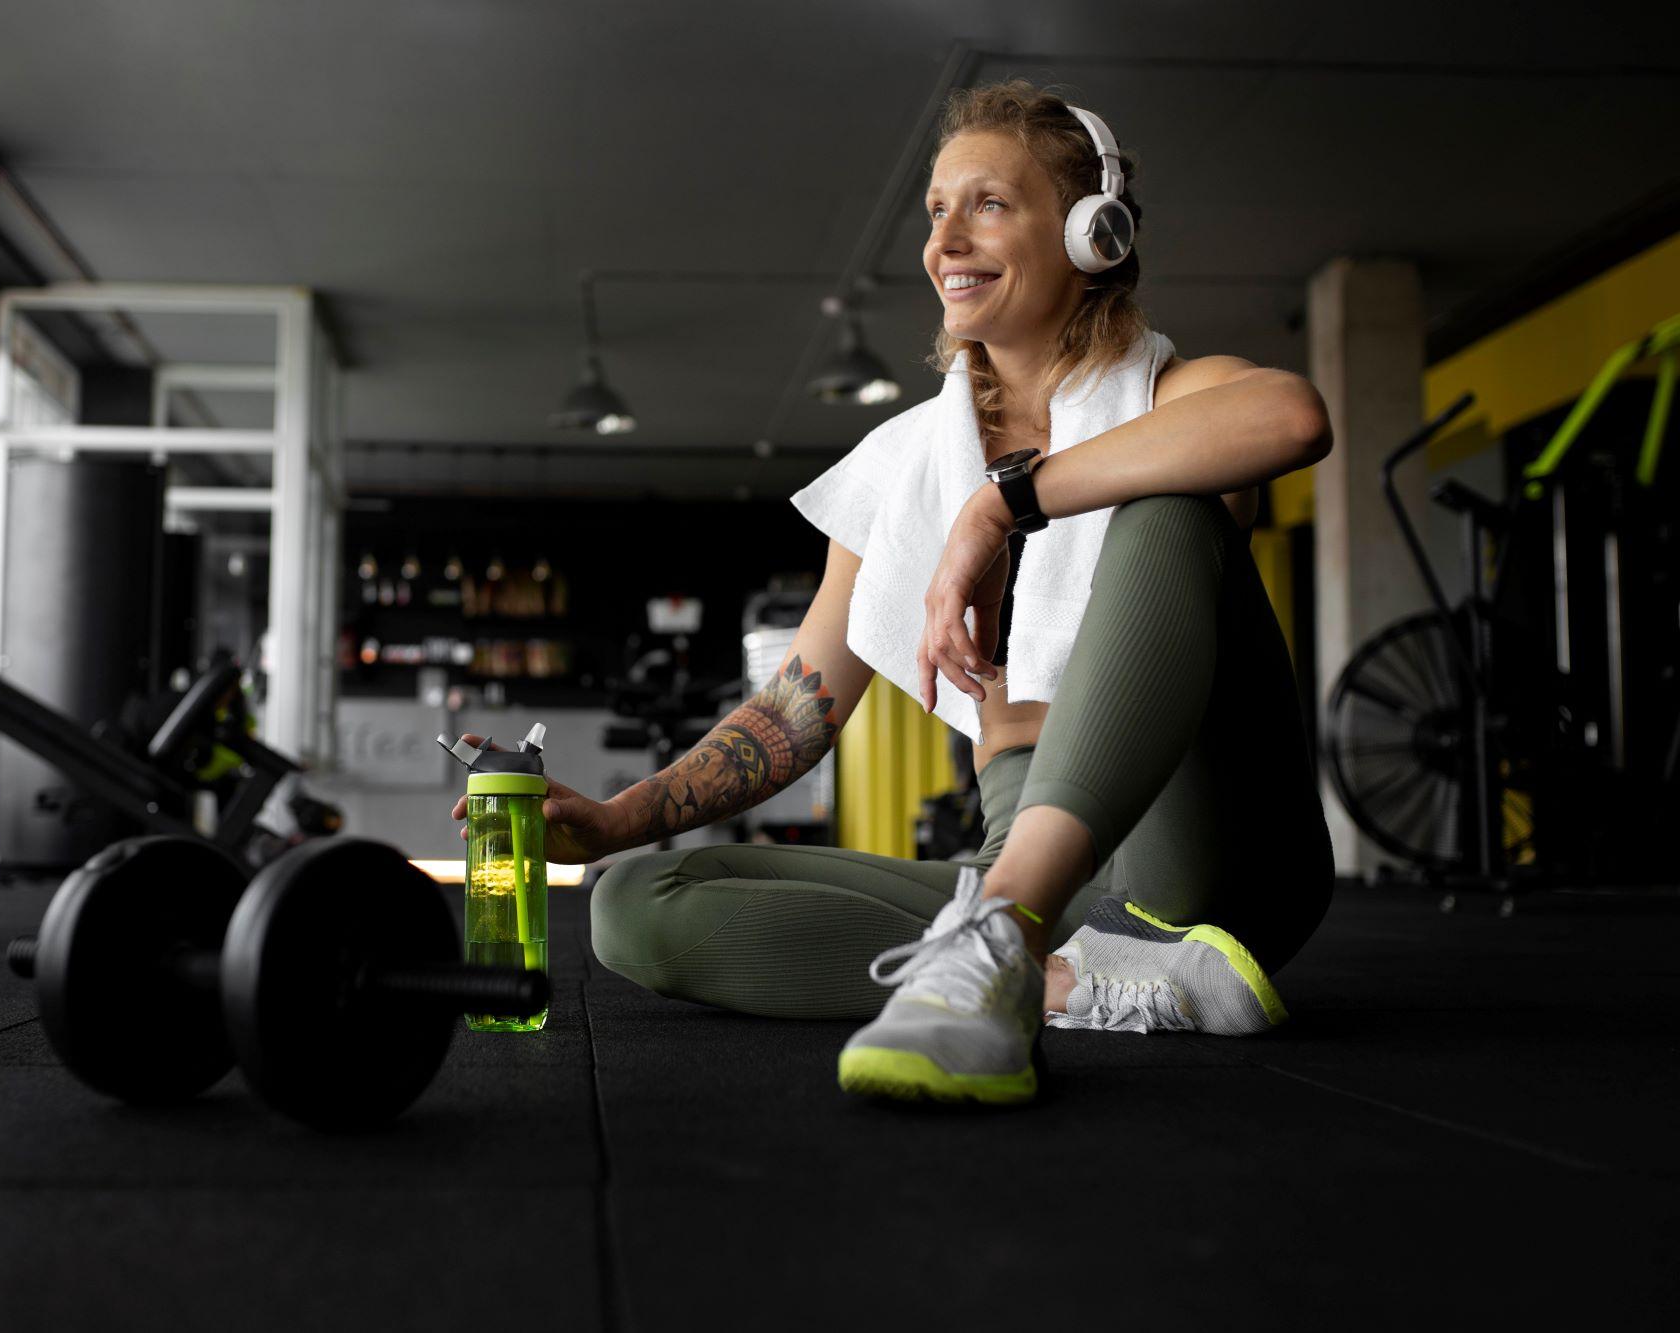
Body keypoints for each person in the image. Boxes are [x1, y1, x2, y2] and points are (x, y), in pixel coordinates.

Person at [450, 79, 1335, 1106]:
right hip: (1031, 864)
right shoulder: (906, 463)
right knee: (637, 901)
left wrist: (1003, 503)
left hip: (1208, 860)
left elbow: (1291, 417)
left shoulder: (1170, 396)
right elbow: (793, 714)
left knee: (1167, 500)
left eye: (988, 204)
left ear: (1092, 233)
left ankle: (1004, 936)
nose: (944, 241)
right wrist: (615, 820)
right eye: (935, 210)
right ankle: (1049, 974)